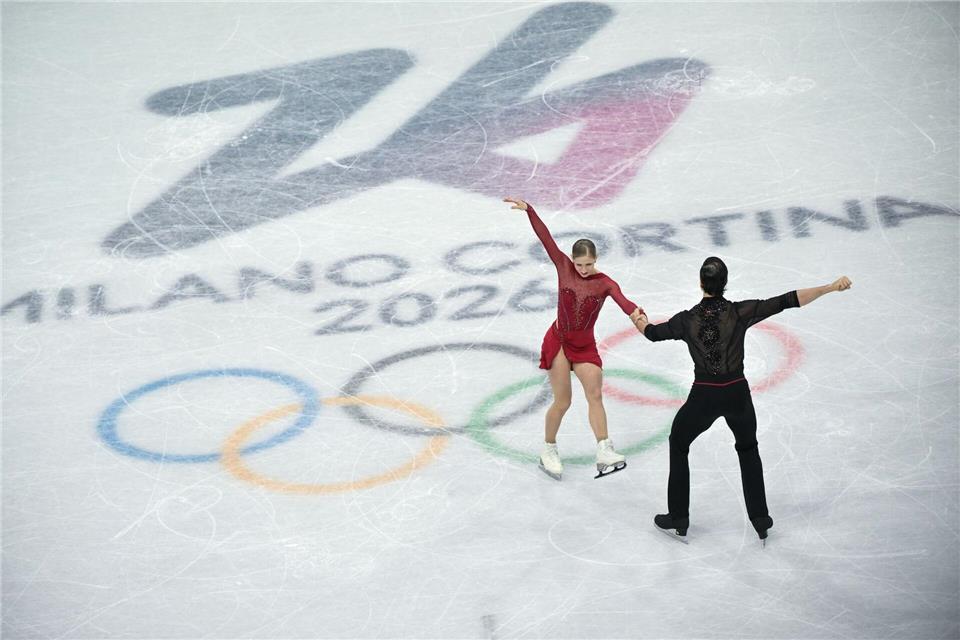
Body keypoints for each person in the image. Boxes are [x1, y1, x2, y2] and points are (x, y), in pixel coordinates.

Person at [635, 257, 851, 544]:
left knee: (679, 442)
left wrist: (639, 321)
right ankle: (760, 519)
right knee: (748, 449)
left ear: (701, 283)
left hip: (704, 396)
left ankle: (679, 517)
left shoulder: (686, 320)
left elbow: (652, 333)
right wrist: (829, 287)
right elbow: (787, 300)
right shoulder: (739, 312)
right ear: (725, 284)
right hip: (737, 393)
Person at [504, 197, 644, 480]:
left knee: (594, 395)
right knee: (563, 401)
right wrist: (530, 211)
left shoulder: (604, 283)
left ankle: (604, 449)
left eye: (588, 264)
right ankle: (549, 448)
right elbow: (546, 239)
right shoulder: (563, 267)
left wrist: (640, 320)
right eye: (580, 264)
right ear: (573, 260)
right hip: (559, 342)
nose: (583, 269)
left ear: (596, 260)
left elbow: (626, 303)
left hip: (585, 347)